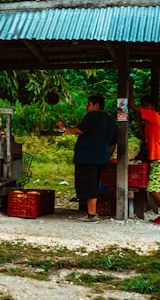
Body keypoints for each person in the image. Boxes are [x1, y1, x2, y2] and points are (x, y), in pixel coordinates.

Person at [56, 95, 117, 223]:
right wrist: (106, 156)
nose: (86, 107)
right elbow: (113, 142)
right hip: (100, 157)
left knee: (88, 185)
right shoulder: (110, 120)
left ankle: (91, 214)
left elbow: (80, 130)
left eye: (89, 104)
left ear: (96, 105)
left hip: (87, 157)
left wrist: (64, 128)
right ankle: (91, 212)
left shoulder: (92, 116)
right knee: (94, 183)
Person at [128, 80, 160, 224]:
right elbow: (144, 139)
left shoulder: (154, 116)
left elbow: (131, 105)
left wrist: (129, 86)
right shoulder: (149, 123)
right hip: (154, 158)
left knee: (153, 188)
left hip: (158, 157)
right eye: (144, 107)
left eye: (147, 106)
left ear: (153, 107)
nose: (145, 109)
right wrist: (139, 126)